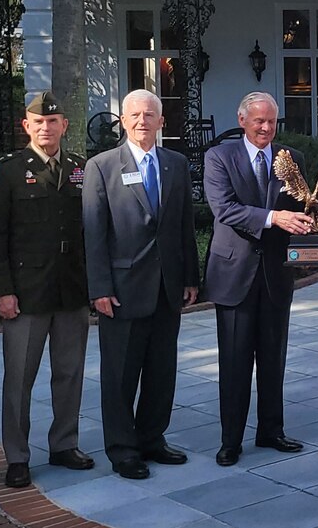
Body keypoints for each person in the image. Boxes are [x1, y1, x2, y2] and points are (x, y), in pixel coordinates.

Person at [83, 89, 199, 480]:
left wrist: (190, 278)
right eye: (134, 115)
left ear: (161, 121)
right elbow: (94, 233)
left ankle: (153, 438)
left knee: (161, 371)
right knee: (120, 376)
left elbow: (185, 226)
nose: (141, 121)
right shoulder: (101, 166)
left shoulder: (176, 164)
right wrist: (99, 287)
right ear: (123, 120)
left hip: (167, 288)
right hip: (121, 290)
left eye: (149, 114)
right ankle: (122, 449)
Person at [0, 92, 93, 488]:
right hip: (26, 293)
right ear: (25, 126)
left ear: (64, 125)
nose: (46, 128)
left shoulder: (81, 168)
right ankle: (17, 456)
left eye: (53, 121)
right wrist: (1, 290)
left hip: (71, 291)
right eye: (38, 122)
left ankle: (64, 444)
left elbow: (90, 232)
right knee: (19, 379)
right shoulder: (7, 171)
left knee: (69, 373)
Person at [204, 92, 313, 466]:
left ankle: (272, 431)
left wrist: (315, 220)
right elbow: (224, 208)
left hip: (276, 275)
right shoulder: (219, 157)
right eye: (258, 121)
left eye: (271, 121)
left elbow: (303, 206)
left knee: (273, 360)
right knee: (234, 363)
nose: (266, 128)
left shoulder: (291, 159)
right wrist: (274, 218)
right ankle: (230, 441)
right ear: (242, 120)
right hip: (234, 275)